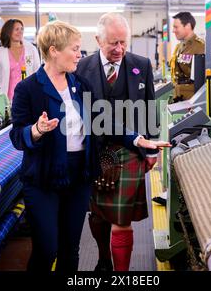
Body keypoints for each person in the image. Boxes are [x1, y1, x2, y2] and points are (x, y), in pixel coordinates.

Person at [9, 20, 169, 272]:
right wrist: (36, 130)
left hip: (79, 178)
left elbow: (102, 120)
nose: (78, 54)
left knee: (70, 249)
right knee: (47, 248)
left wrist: (138, 140)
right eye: (73, 49)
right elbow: (17, 137)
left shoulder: (78, 85)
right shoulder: (28, 89)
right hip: (44, 177)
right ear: (53, 51)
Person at [75, 13, 161, 271]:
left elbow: (149, 105)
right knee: (98, 214)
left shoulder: (141, 64)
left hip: (131, 149)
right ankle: (104, 260)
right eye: (113, 43)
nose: (120, 49)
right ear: (98, 39)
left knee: (122, 217)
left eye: (124, 42)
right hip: (95, 150)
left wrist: (153, 146)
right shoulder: (81, 67)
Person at [0, 19, 40, 101]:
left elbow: (37, 72)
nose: (20, 32)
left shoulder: (31, 49)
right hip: (9, 98)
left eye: (22, 29)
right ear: (8, 31)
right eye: (17, 29)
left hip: (28, 96)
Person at [170, 12, 205, 101]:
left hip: (192, 99)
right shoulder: (179, 47)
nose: (173, 30)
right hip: (179, 95)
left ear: (188, 26)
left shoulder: (200, 46)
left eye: (176, 27)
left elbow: (203, 79)